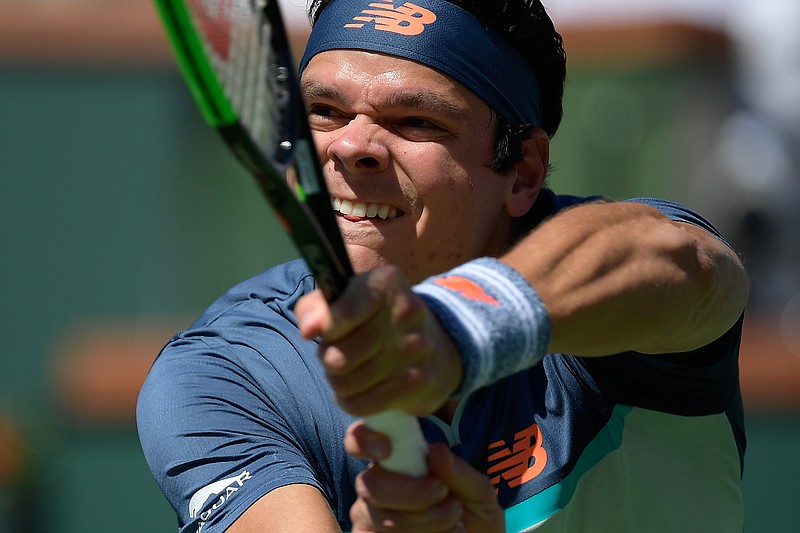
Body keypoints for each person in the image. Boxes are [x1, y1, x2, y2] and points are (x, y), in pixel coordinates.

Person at [136, 0, 749, 531]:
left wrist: (458, 328)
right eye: (324, 110)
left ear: (526, 171)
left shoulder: (612, 271)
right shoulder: (223, 373)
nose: (351, 146)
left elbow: (691, 268)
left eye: (416, 121)